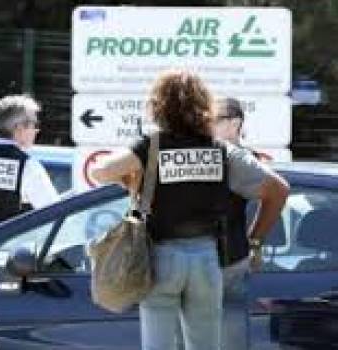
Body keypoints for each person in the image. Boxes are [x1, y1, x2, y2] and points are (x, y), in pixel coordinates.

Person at [91, 70, 289, 350]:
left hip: (161, 257)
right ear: (204, 107)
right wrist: (254, 240)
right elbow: (278, 188)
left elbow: (101, 171)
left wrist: (131, 177)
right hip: (208, 259)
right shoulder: (221, 150)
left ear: (159, 106)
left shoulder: (152, 146)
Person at [213, 97, 270, 350]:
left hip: (230, 259)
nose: (208, 125)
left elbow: (276, 193)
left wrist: (255, 240)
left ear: (235, 123)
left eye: (215, 120)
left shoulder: (245, 160)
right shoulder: (211, 156)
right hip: (215, 258)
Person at [0, 94, 59, 230]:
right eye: (34, 124)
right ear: (19, 128)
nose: (37, 130)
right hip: (1, 246)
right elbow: (54, 212)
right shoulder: (27, 165)